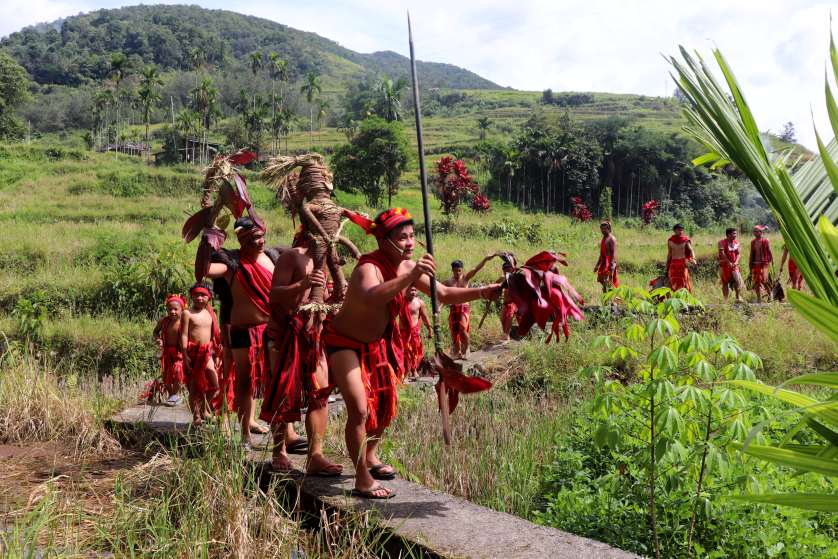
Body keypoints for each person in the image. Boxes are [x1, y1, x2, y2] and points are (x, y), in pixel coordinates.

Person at [325, 208, 501, 499]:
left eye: (412, 236)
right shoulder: (369, 268)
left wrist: (483, 292)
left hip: (377, 343)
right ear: (384, 240)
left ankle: (370, 454)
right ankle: (361, 478)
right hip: (343, 342)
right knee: (358, 409)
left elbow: (443, 294)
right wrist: (414, 274)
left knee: (385, 406)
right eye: (402, 237)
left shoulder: (407, 268)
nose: (409, 243)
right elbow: (372, 297)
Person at [259, 233, 342, 476]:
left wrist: (337, 295)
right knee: (282, 391)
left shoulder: (327, 262)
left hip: (313, 337)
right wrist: (303, 284)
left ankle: (315, 455)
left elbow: (323, 301)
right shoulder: (291, 257)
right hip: (284, 336)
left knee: (320, 392)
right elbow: (274, 296)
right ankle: (278, 450)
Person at [205, 217, 273, 448]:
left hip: (271, 331)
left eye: (261, 235)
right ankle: (243, 434)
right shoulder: (232, 262)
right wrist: (209, 237)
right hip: (242, 331)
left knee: (272, 382)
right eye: (254, 238)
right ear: (243, 240)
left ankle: (281, 437)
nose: (260, 241)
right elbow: (204, 270)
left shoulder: (274, 258)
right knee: (242, 382)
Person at [180, 283, 221, 426]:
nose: (199, 298)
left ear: (209, 297)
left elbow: (215, 335)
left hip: (207, 353)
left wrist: (217, 354)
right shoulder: (187, 313)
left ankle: (204, 409)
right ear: (192, 296)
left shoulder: (211, 313)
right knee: (194, 387)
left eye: (203, 295)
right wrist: (185, 356)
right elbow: (184, 335)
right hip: (192, 353)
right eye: (196, 295)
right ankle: (196, 415)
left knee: (215, 385)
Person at [444, 254, 496, 358]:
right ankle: (457, 352)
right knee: (454, 331)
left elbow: (476, 269)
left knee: (462, 329)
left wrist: (485, 258)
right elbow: (438, 290)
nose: (457, 273)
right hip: (454, 307)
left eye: (459, 270)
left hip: (464, 306)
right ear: (452, 270)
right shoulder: (449, 282)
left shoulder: (466, 278)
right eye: (455, 271)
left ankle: (467, 348)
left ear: (462, 270)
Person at [152, 294, 186, 406]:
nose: (173, 312)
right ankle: (172, 395)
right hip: (166, 352)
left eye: (176, 309)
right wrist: (158, 339)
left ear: (182, 309)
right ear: (166, 309)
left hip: (179, 352)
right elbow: (155, 332)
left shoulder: (184, 322)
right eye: (170, 309)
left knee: (177, 371)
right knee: (166, 376)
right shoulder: (164, 321)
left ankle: (175, 394)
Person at [402, 286, 431, 377]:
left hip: (415, 332)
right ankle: (405, 374)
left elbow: (425, 317)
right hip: (403, 332)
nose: (413, 292)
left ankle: (414, 370)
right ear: (406, 290)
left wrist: (430, 329)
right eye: (411, 290)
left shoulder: (419, 303)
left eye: (415, 290)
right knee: (405, 353)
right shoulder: (401, 301)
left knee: (415, 352)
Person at [667, 224, 695, 293]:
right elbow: (669, 253)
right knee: (672, 280)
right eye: (679, 230)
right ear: (674, 231)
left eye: (682, 230)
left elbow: (691, 250)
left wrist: (693, 258)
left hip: (682, 263)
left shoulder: (686, 240)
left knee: (683, 280)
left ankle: (684, 298)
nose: (681, 231)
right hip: (673, 263)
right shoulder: (670, 241)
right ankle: (674, 297)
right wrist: (667, 264)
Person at [718, 228, 744, 303]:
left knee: (737, 281)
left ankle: (737, 297)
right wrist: (728, 262)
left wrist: (736, 262)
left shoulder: (736, 243)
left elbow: (738, 254)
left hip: (734, 266)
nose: (735, 235)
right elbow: (722, 253)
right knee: (725, 283)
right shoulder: (721, 242)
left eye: (736, 233)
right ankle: (725, 300)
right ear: (728, 235)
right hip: (724, 266)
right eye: (734, 233)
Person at [749, 225, 773, 302]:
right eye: (754, 231)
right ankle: (759, 298)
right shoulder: (753, 242)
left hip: (764, 264)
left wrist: (771, 262)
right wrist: (750, 264)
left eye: (757, 231)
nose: (755, 233)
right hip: (755, 263)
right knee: (756, 282)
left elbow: (769, 251)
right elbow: (751, 254)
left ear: (761, 232)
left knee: (764, 281)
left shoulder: (765, 241)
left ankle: (770, 295)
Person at [593, 221, 619, 292]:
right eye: (601, 229)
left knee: (609, 282)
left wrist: (612, 264)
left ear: (609, 229)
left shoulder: (612, 239)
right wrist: (597, 265)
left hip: (610, 263)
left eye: (604, 229)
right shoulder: (604, 239)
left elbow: (614, 252)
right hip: (604, 263)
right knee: (602, 280)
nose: (603, 231)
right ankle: (606, 300)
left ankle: (612, 300)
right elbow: (601, 254)